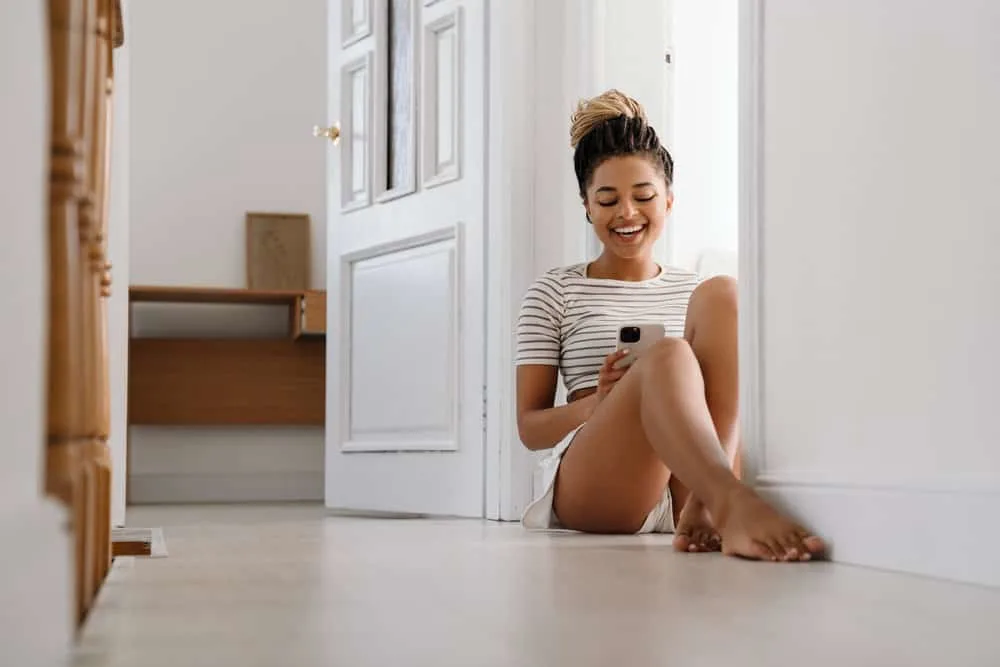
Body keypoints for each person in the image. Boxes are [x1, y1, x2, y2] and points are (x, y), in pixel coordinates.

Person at [514, 90, 825, 561]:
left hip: (688, 476)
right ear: (586, 206)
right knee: (671, 353)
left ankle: (707, 500)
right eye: (607, 199)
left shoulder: (695, 291)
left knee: (726, 291)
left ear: (669, 200)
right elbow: (530, 429)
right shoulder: (554, 291)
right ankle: (731, 504)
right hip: (604, 478)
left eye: (643, 196)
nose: (627, 214)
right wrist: (598, 404)